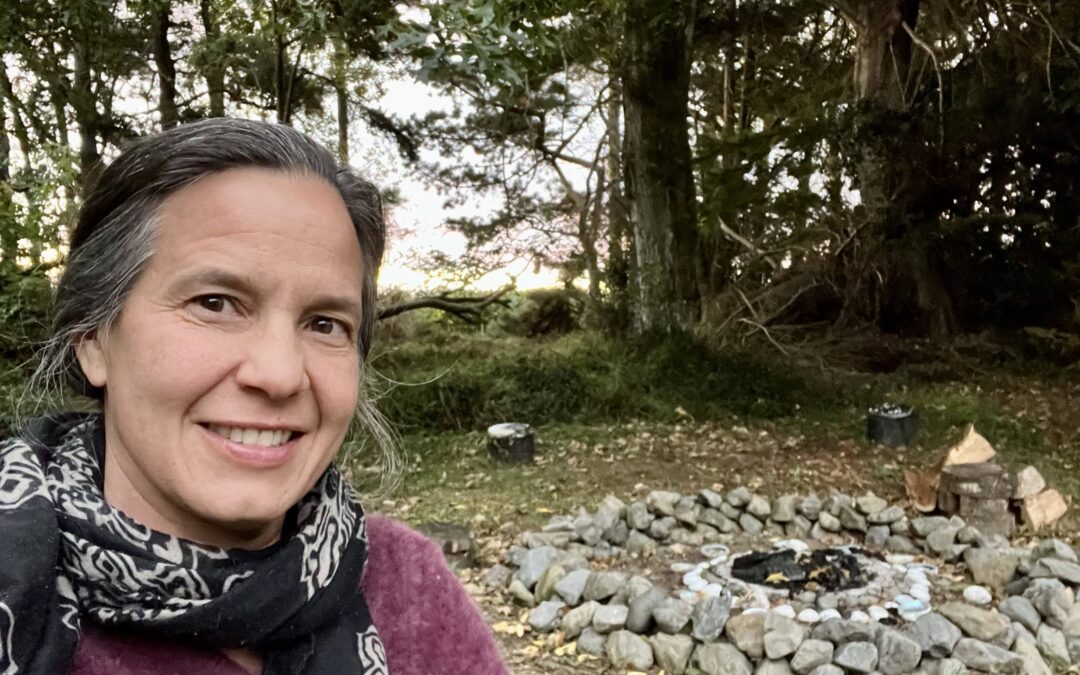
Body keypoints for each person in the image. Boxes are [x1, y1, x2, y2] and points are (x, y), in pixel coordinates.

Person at [0, 119, 508, 675]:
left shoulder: (408, 587)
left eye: (324, 323)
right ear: (94, 341)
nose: (280, 375)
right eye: (216, 303)